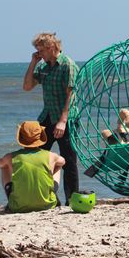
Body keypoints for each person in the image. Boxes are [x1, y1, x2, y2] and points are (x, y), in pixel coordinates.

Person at [22, 32, 79, 204]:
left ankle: (72, 200)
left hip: (65, 118)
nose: (40, 54)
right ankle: (46, 197)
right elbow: (27, 87)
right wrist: (33, 62)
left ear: (52, 47)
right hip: (46, 116)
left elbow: (71, 94)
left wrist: (62, 121)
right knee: (36, 155)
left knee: (69, 160)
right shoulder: (43, 66)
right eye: (37, 51)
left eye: (41, 51)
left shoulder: (67, 65)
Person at [0, 121, 64, 213]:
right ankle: (52, 193)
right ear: (40, 137)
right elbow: (63, 161)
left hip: (18, 207)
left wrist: (11, 165)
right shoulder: (51, 156)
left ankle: (12, 197)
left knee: (4, 167)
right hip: (48, 205)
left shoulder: (11, 157)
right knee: (58, 165)